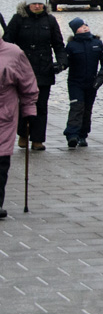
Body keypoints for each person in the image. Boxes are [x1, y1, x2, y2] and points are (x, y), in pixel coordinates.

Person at [4, 0, 65, 151]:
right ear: (28, 4)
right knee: (23, 104)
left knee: (41, 106)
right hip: (22, 70)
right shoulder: (18, 19)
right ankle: (23, 134)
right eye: (34, 3)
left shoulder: (50, 21)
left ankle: (38, 139)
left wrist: (61, 62)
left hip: (44, 69)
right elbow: (8, 42)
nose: (37, 6)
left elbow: (58, 45)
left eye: (40, 3)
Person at [0, 37, 37, 219]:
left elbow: (28, 83)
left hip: (3, 115)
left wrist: (29, 109)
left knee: (1, 161)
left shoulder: (13, 53)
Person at [63, 17, 103, 148]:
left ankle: (83, 135)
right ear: (75, 30)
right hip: (75, 83)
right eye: (80, 26)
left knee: (87, 109)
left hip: (92, 83)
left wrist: (101, 76)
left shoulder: (97, 43)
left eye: (85, 25)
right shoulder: (72, 45)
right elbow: (66, 62)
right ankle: (72, 135)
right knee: (77, 107)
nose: (84, 28)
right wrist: (58, 66)